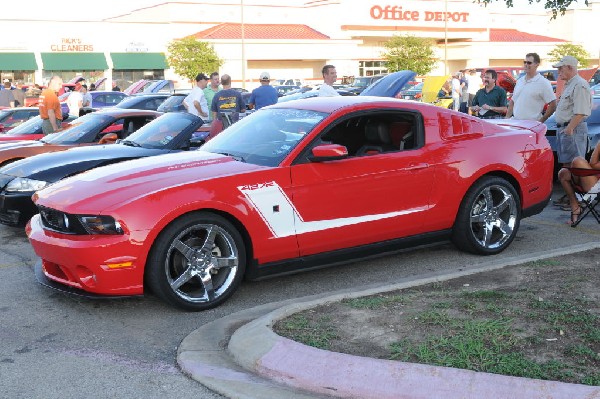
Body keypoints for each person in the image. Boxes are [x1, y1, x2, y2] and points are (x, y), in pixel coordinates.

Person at [505, 52, 556, 122]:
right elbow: (512, 101)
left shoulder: (543, 83)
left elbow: (553, 104)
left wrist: (541, 121)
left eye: (529, 63)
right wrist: (507, 118)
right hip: (516, 123)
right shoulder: (520, 81)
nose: (526, 65)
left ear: (537, 65)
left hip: (532, 125)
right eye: (524, 62)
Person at [558, 141, 600, 225]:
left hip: (597, 186)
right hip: (592, 176)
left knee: (578, 161)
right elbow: (593, 165)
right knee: (563, 173)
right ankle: (575, 207)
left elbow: (593, 164)